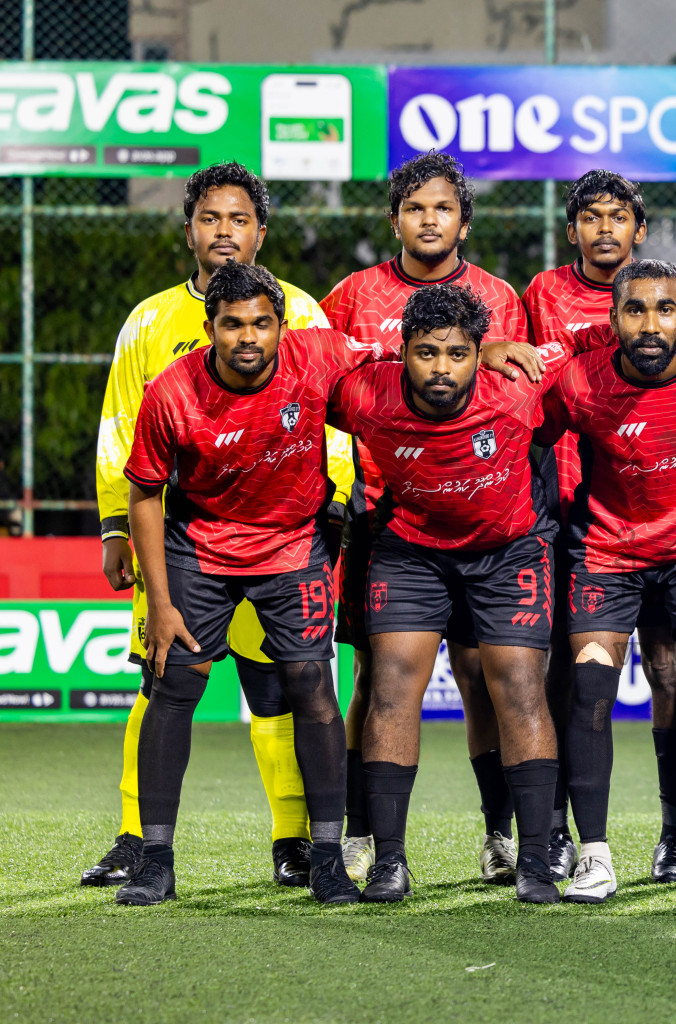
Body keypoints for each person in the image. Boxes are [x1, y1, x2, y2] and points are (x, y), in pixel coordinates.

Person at [85, 161, 351, 891]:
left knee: (282, 687)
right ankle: (137, 842)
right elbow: (120, 427)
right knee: (163, 680)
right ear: (189, 231)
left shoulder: (300, 311)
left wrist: (334, 506)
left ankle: (296, 841)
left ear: (261, 232)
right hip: (184, 541)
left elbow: (333, 410)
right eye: (210, 218)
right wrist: (115, 525)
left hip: (286, 537)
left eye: (239, 219)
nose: (224, 231)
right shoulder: (149, 322)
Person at [115, 262, 383, 906]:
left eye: (262, 323)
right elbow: (144, 494)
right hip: (200, 548)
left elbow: (403, 358)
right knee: (173, 686)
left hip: (293, 547)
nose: (248, 337)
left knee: (311, 687)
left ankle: (327, 860)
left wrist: (489, 349)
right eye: (232, 324)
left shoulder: (318, 353)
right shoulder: (171, 391)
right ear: (209, 327)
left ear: (281, 326)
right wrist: (160, 602)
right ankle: (155, 862)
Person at [320, 151, 532, 886]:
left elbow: (517, 387)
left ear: (463, 222)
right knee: (375, 677)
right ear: (395, 220)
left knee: (480, 675)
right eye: (415, 208)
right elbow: (326, 380)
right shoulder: (354, 294)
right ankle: (363, 833)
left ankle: (500, 834)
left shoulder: (499, 296)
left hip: (478, 516)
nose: (429, 220)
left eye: (443, 208)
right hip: (383, 516)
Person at [536, 260, 676, 904]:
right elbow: (527, 427)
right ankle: (594, 858)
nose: (650, 324)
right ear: (613, 319)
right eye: (634, 310)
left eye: (666, 309)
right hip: (608, 556)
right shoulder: (580, 381)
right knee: (589, 692)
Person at [522, 169, 676, 883]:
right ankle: (556, 829)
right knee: (567, 673)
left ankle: (673, 834)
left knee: (666, 667)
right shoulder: (542, 292)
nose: (604, 228)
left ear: (640, 227)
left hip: (658, 507)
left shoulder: (668, 295)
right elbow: (534, 372)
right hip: (568, 508)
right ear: (571, 227)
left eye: (618, 216)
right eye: (590, 216)